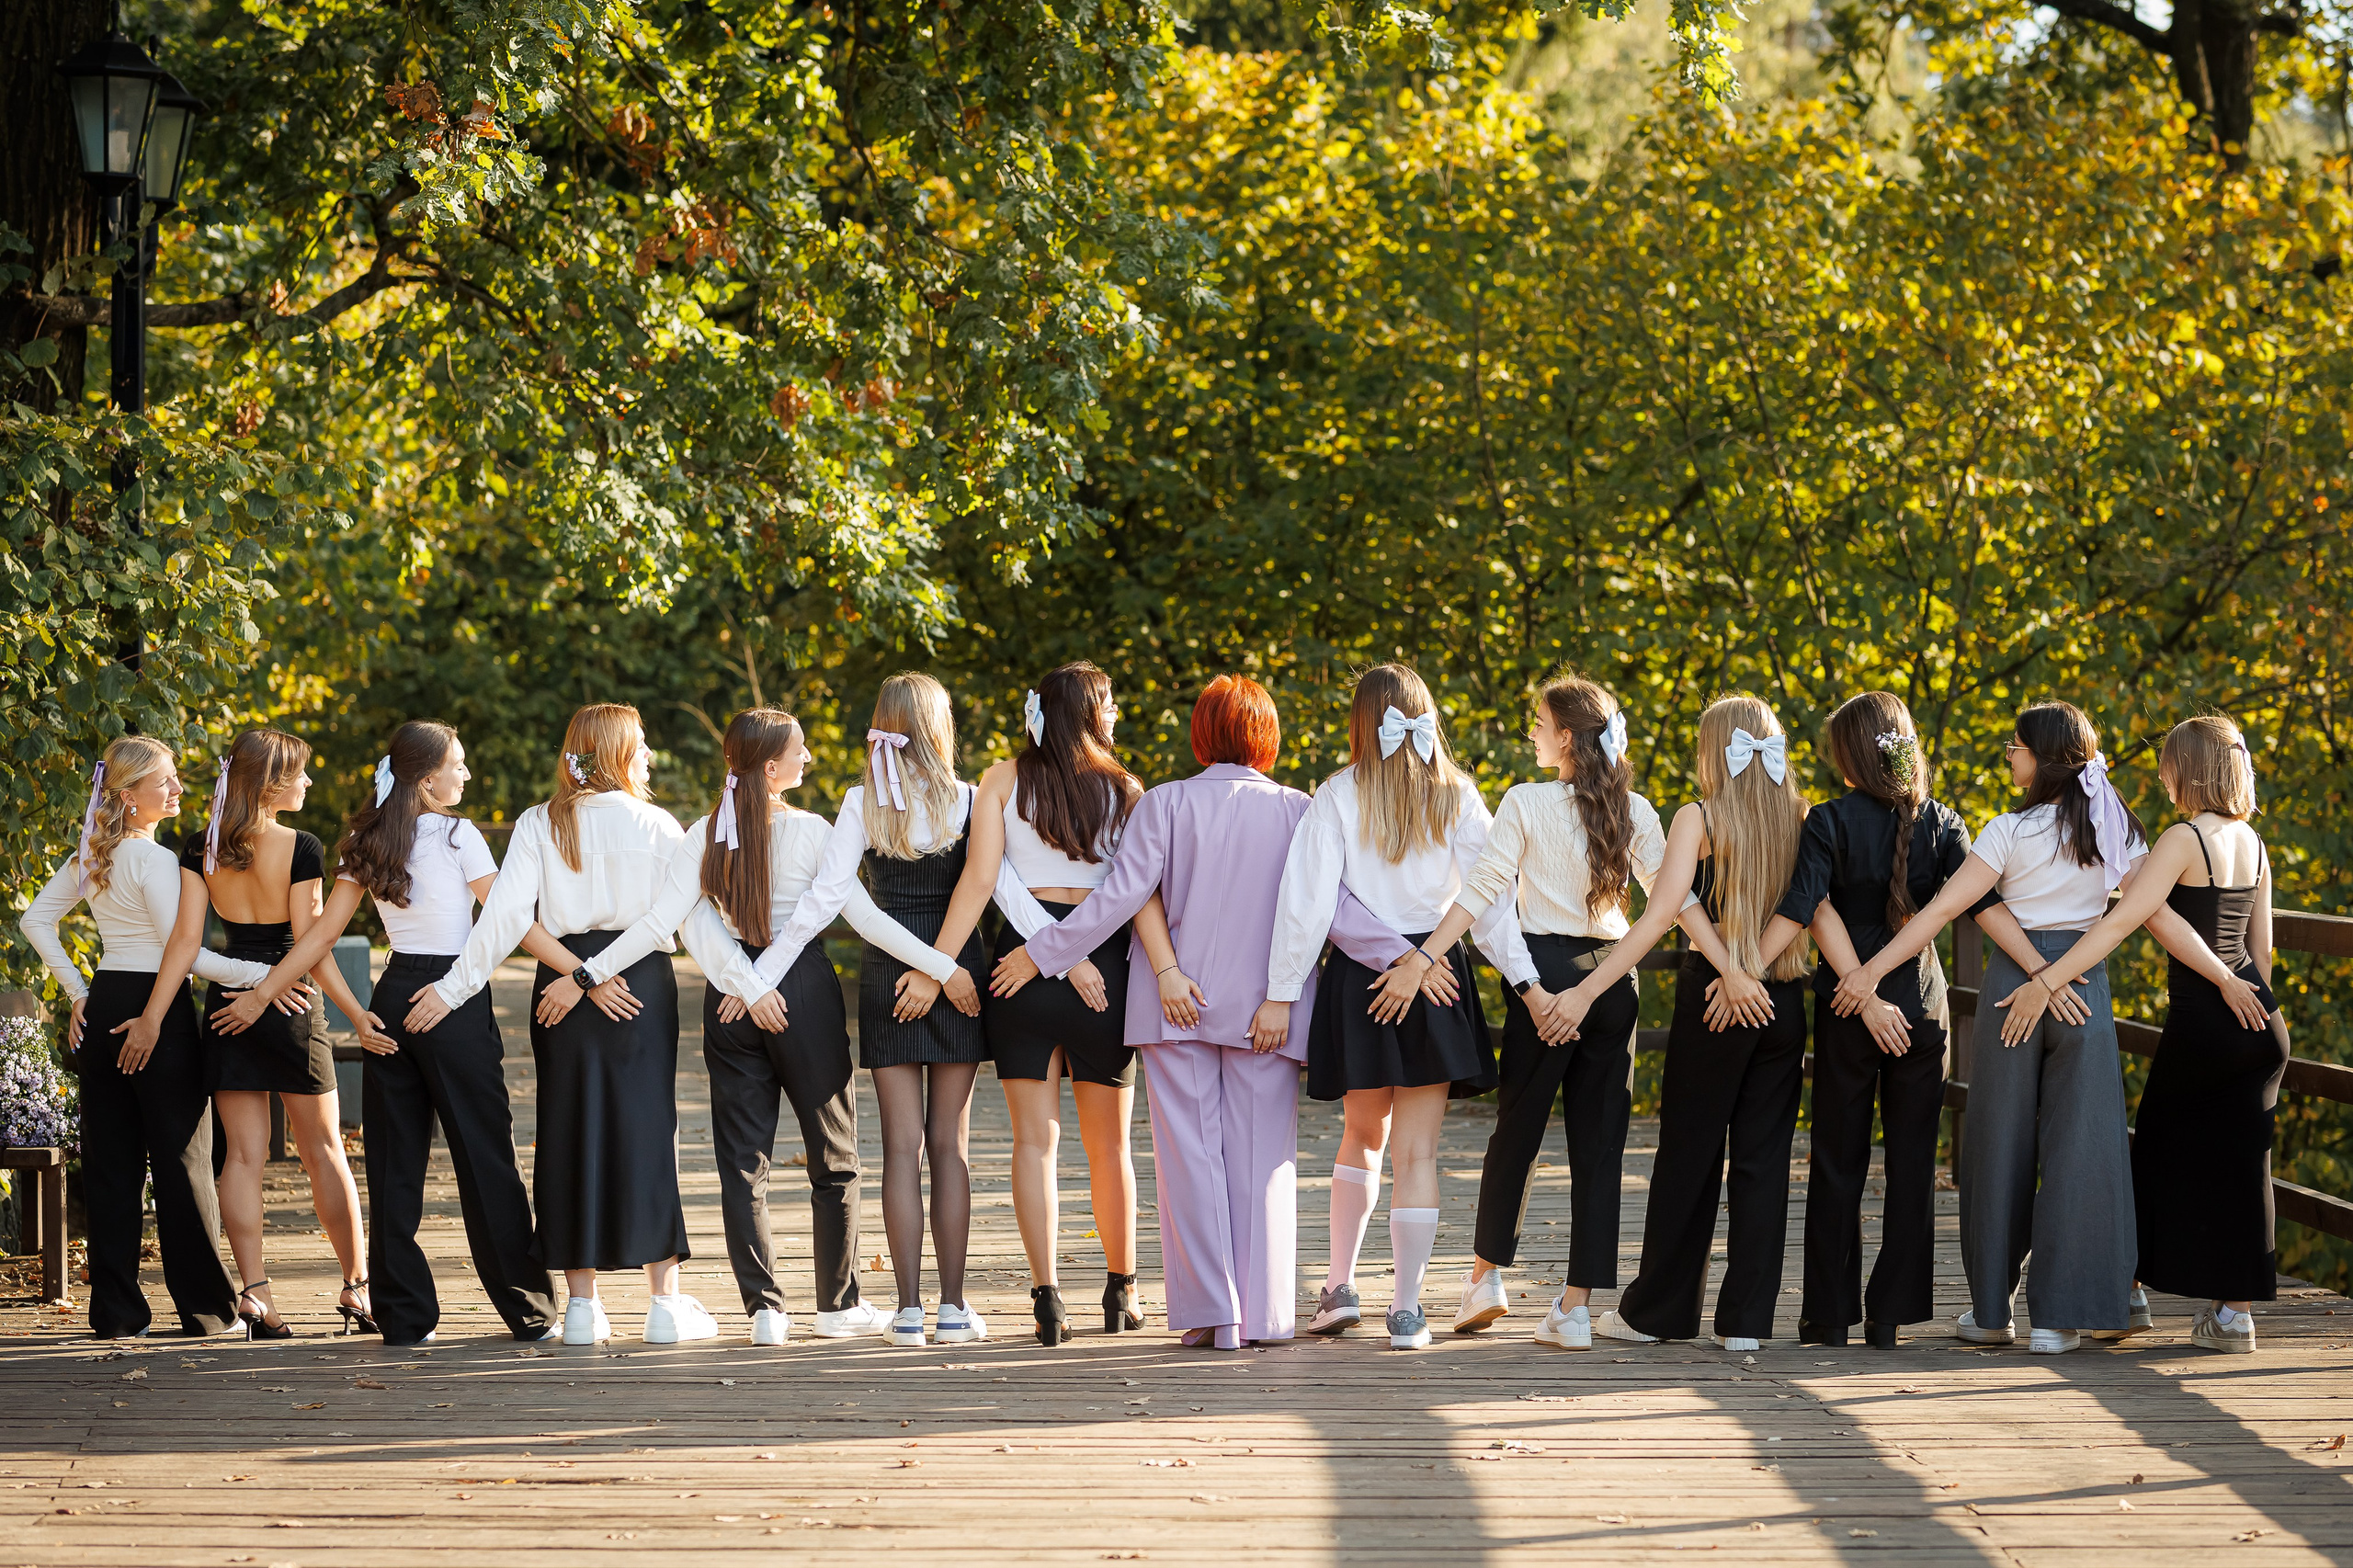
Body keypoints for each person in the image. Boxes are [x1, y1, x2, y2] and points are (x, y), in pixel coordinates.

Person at [995, 674, 1412, 1349]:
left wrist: (1042, 950)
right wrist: (1406, 956)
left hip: (1175, 1005)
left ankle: (1213, 1316)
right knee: (1263, 1164)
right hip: (1264, 1015)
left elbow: (1120, 898)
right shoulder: (1298, 810)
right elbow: (1331, 909)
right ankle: (1267, 1315)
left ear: (1201, 733)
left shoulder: (1163, 804)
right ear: (1265, 737)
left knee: (1188, 1162)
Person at [592, 707, 956, 1345]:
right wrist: (943, 967)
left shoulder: (704, 834)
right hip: (803, 996)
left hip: (732, 1002)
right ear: (770, 766)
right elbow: (864, 920)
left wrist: (592, 973)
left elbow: (665, 925)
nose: (808, 759)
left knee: (741, 1162)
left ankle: (765, 1311)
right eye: (800, 750)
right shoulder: (815, 832)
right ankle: (838, 1306)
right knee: (834, 1154)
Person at [211, 722, 558, 1346]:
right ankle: (528, 1312)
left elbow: (318, 936)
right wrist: (580, 971)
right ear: (427, 779)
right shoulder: (458, 834)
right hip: (449, 996)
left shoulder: (365, 840)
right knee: (485, 1156)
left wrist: (304, 999)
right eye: (457, 765)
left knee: (395, 1164)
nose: (465, 776)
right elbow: (509, 921)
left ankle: (403, 1316)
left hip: (394, 997)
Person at [1838, 699, 2157, 1353]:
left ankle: (1991, 1313)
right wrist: (2063, 977)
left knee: (1997, 1143)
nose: (2008, 756)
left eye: (2015, 747)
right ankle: (2060, 1319)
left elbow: (1940, 913)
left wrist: (1870, 971)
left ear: (2041, 757)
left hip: (2014, 987)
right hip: (2083, 985)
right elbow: (2137, 916)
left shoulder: (2006, 831)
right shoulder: (2116, 824)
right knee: (2085, 1150)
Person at [406, 703, 708, 1346]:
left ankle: (580, 1306)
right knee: (653, 1131)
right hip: (640, 984)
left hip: (562, 988)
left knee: (567, 1132)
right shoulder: (659, 825)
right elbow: (684, 923)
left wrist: (459, 987)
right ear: (621, 753)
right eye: (642, 744)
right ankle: (663, 1305)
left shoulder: (539, 823)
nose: (649, 755)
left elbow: (507, 918)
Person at [1263, 664, 1541, 1351]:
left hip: (1364, 979)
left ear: (1362, 720)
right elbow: (1490, 900)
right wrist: (1526, 980)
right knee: (1417, 1152)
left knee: (1361, 1136)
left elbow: (1309, 903)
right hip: (1437, 974)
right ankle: (1408, 1311)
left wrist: (1280, 992)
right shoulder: (1458, 794)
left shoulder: (1335, 794)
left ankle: (1340, 1289)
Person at [1986, 715, 2279, 1353]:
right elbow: (2263, 948)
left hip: (2206, 1016)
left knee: (2146, 1157)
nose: (2160, 774)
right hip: (2262, 1020)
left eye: (2168, 763)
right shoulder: (2254, 843)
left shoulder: (2181, 838)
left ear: (2189, 769)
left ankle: (2130, 1290)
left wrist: (2046, 979)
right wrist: (2243, 987)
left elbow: (2125, 922)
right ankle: (2234, 1315)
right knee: (2242, 1163)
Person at [1551, 694, 1813, 1352]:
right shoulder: (1801, 815)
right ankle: (1746, 1325)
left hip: (1720, 1002)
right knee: (1763, 1161)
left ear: (1714, 748)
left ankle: (1655, 1315)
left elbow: (1660, 912)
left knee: (1690, 1156)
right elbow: (1812, 907)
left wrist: (1591, 987)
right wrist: (1752, 969)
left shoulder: (1699, 815)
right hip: (1781, 998)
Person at [1409, 675, 1663, 1351]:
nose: (1531, 732)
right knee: (1601, 1145)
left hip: (1544, 980)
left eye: (1539, 722)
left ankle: (1484, 1279)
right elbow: (1671, 903)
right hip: (1612, 984)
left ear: (1569, 738)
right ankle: (1575, 1310)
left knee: (1517, 1133)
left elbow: (1483, 891)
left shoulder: (1524, 801)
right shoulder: (1637, 810)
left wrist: (1426, 954)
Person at [736, 673, 991, 1347]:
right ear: (939, 726)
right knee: (950, 1147)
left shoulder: (860, 802)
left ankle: (908, 1311)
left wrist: (760, 971)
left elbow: (826, 900)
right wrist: (949, 969)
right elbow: (997, 888)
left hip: (887, 980)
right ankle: (953, 1309)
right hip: (956, 973)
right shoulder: (970, 799)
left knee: (900, 1150)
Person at [19, 738, 298, 1338]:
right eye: (165, 782)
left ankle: (116, 1314)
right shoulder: (156, 862)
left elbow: (35, 920)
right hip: (157, 1011)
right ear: (127, 795)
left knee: (110, 1165)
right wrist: (270, 977)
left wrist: (76, 991)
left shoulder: (91, 856)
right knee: (184, 1164)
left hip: (106, 1002)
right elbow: (188, 954)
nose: (177, 790)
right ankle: (208, 1312)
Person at [932, 663, 1145, 1345]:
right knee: (1111, 1148)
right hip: (1102, 978)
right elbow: (1128, 895)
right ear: (1086, 711)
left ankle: (1048, 1299)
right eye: (1107, 704)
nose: (1115, 714)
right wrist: (1077, 956)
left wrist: (943, 960)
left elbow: (985, 880)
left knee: (1034, 1143)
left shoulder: (1000, 778)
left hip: (1016, 975)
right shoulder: (1126, 789)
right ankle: (1122, 1291)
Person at [180, 730, 379, 1338]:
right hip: (289, 1001)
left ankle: (256, 1296)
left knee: (241, 1155)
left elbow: (188, 942)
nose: (309, 784)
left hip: (226, 1004)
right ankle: (358, 1288)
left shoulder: (200, 847)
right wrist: (353, 1011)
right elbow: (314, 946)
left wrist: (247, 994)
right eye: (300, 775)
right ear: (270, 783)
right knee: (324, 1151)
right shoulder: (303, 847)